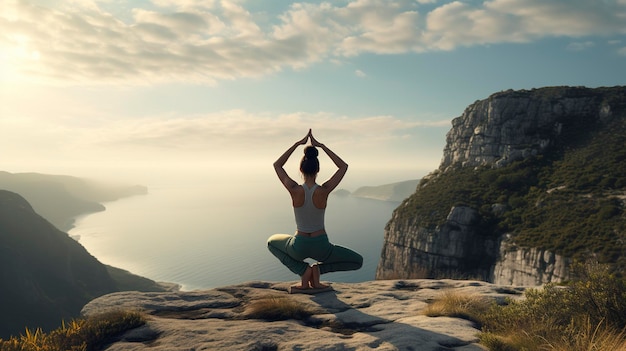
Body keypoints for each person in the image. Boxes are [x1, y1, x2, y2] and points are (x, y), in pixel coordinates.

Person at [267, 129, 363, 293]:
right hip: (322, 247)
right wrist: (322, 146)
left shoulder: (294, 189)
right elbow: (343, 166)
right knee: (357, 261)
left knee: (271, 242)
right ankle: (318, 271)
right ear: (317, 169)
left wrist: (297, 144)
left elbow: (277, 165)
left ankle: (304, 271)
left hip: (299, 246)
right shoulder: (324, 190)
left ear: (301, 169)